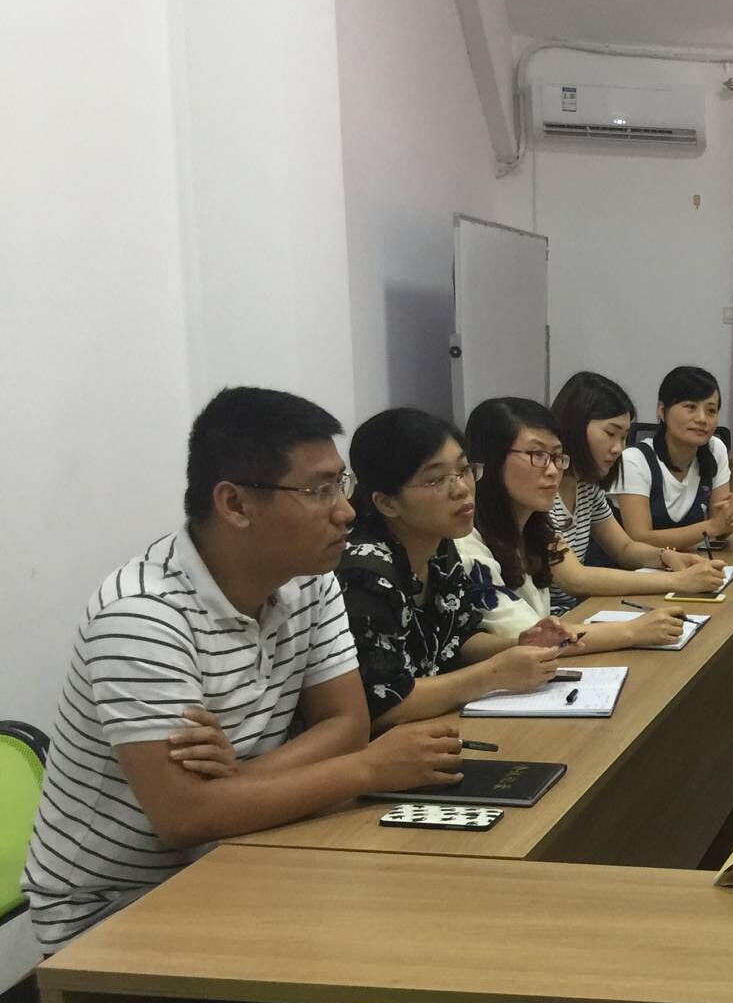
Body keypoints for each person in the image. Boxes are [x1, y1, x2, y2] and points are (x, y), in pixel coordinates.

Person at [20, 388, 463, 952]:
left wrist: (233, 787)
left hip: (246, 848)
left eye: (341, 483)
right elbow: (183, 819)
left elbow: (346, 724)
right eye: (318, 490)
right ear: (234, 504)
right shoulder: (142, 614)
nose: (346, 510)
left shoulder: (310, 579)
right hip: (117, 912)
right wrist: (367, 771)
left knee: (429, 908)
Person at [337, 408, 570, 727]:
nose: (462, 489)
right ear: (387, 502)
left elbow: (459, 640)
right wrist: (494, 673)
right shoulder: (363, 572)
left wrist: (522, 645)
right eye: (435, 479)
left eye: (464, 470)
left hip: (435, 724)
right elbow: (382, 704)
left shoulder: (440, 545)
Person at [454, 397, 690, 651]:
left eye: (557, 456)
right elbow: (535, 638)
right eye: (538, 455)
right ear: (490, 460)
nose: (553, 470)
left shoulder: (534, 526)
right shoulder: (466, 544)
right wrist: (633, 630)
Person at [546, 370, 727, 610]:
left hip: (574, 612)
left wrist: (666, 557)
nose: (618, 448)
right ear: (575, 427)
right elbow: (574, 579)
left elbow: (624, 548)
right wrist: (677, 581)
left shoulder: (587, 486)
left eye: (624, 437)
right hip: (548, 618)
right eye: (610, 434)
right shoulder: (542, 490)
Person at [612, 364, 733, 552]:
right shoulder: (634, 461)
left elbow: (720, 529)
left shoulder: (715, 449)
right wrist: (712, 527)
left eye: (711, 410)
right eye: (690, 407)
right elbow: (639, 539)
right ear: (662, 411)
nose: (702, 419)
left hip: (687, 563)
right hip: (632, 567)